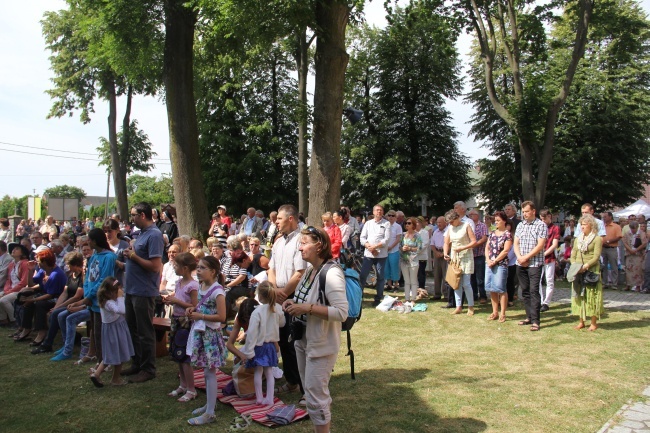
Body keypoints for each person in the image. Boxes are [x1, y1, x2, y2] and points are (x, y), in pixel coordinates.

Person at [283, 226, 348, 433]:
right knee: (312, 392)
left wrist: (306, 308)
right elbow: (305, 298)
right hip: (303, 340)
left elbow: (341, 312)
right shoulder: (311, 270)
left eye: (304, 243)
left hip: (321, 344)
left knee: (315, 393)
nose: (299, 248)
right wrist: (293, 303)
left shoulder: (331, 273)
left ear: (319, 245)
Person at [267, 204, 307, 399]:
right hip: (279, 296)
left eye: (279, 219)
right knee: (282, 340)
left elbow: (300, 273)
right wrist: (275, 290)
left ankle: (303, 385)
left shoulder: (302, 240)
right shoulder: (278, 242)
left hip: (294, 297)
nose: (276, 222)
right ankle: (291, 381)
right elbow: (271, 269)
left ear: (291, 218)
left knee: (295, 342)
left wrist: (284, 293)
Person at [121, 202, 164, 383]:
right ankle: (137, 363)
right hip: (132, 289)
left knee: (145, 331)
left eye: (133, 215)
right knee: (133, 329)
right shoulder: (142, 234)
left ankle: (148, 368)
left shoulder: (154, 235)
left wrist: (133, 256)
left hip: (143, 291)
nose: (131, 218)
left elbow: (155, 266)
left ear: (143, 215)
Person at [185, 256, 227, 426]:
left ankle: (210, 413)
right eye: (198, 268)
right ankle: (210, 404)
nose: (198, 271)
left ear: (213, 271)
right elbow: (203, 306)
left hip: (210, 336)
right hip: (202, 334)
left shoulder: (218, 291)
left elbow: (222, 317)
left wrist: (200, 315)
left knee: (210, 373)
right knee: (206, 371)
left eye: (202, 268)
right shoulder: (202, 286)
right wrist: (193, 309)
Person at [240, 281, 284, 406]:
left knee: (258, 372)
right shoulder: (277, 309)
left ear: (259, 296)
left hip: (259, 346)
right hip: (270, 346)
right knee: (269, 372)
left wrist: (249, 351)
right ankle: (269, 398)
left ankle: (259, 397)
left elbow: (252, 333)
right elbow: (282, 323)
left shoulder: (257, 312)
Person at [31, 251, 84, 355]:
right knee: (54, 314)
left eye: (68, 264)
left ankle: (48, 344)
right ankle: (75, 338)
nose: (67, 266)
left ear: (75, 264)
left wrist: (58, 307)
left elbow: (77, 296)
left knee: (56, 314)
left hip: (78, 304)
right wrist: (56, 306)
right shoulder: (70, 276)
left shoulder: (82, 277)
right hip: (68, 303)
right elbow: (64, 293)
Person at [163, 252, 199, 402]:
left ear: (185, 268)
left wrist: (176, 301)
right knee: (178, 354)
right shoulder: (178, 283)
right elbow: (177, 297)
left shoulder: (193, 285)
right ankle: (183, 384)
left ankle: (191, 389)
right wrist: (171, 299)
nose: (173, 267)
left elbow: (194, 305)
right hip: (176, 320)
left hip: (186, 322)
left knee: (185, 356)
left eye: (176, 266)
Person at [15, 248, 67, 344]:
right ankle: (26, 328)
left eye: (39, 261)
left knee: (40, 305)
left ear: (45, 262)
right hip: (45, 294)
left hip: (57, 298)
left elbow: (50, 295)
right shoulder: (43, 271)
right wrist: (30, 271)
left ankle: (42, 331)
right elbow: (31, 284)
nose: (37, 263)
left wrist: (32, 299)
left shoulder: (56, 274)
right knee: (24, 298)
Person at [89, 277, 134, 387]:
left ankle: (97, 374)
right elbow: (121, 310)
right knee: (117, 354)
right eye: (116, 292)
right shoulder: (108, 303)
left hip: (115, 329)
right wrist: (120, 298)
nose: (117, 294)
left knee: (111, 355)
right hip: (115, 330)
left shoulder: (106, 300)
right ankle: (114, 378)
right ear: (108, 292)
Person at [514, 201, 547, 331]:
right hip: (520, 262)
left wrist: (526, 257)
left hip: (535, 263)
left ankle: (536, 320)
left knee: (534, 291)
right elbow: (516, 243)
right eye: (523, 212)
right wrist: (520, 257)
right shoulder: (521, 225)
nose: (525, 214)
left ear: (533, 211)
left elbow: (540, 245)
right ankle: (528, 316)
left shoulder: (541, 225)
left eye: (527, 211)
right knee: (525, 290)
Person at [570, 215, 604, 331]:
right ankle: (581, 321)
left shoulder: (597, 239)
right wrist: (574, 265)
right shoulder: (577, 239)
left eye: (585, 224)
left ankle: (593, 322)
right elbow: (573, 254)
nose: (582, 227)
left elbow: (596, 256)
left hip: (591, 270)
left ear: (591, 225)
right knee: (579, 294)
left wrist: (586, 266)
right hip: (578, 270)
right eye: (581, 224)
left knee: (592, 295)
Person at [443, 210, 478, 315]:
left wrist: (463, 247)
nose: (451, 224)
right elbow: (446, 242)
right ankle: (458, 306)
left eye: (452, 221)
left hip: (466, 256)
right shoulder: (450, 228)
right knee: (456, 283)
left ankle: (470, 306)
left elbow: (474, 241)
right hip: (455, 257)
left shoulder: (466, 226)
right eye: (449, 222)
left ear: (457, 218)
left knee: (466, 283)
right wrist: (445, 253)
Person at [359, 204, 391, 307]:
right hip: (368, 255)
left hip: (381, 255)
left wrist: (375, 247)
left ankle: (378, 297)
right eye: (377, 210)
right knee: (363, 276)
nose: (379, 212)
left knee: (380, 276)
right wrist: (369, 247)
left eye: (381, 210)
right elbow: (362, 238)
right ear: (373, 212)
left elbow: (386, 240)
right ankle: (359, 296)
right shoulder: (368, 223)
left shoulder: (387, 224)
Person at [484, 211, 512, 322]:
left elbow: (505, 251)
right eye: (495, 221)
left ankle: (503, 313)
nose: (496, 223)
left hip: (501, 264)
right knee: (492, 288)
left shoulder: (507, 234)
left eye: (498, 220)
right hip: (490, 264)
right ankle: (494, 311)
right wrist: (488, 260)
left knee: (501, 288)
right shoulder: (492, 233)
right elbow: (487, 248)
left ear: (504, 221)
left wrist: (495, 261)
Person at [0, 243, 30, 328]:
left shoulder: (25, 263)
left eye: (17, 249)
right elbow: (8, 280)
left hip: (21, 290)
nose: (13, 250)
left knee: (3, 300)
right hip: (11, 289)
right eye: (13, 249)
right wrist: (6, 291)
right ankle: (3, 320)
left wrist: (8, 292)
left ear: (22, 253)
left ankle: (15, 320)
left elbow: (24, 282)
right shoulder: (12, 264)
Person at [539, 209, 560, 312]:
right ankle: (540, 301)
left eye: (544, 219)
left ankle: (546, 302)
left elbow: (554, 244)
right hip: (538, 257)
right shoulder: (539, 227)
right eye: (541, 219)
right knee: (537, 280)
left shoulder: (555, 228)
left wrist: (544, 254)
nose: (543, 221)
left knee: (549, 280)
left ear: (549, 217)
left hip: (549, 258)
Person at [399, 217, 422, 303]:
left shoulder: (417, 235)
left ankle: (413, 299)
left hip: (413, 260)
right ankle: (407, 298)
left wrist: (410, 248)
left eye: (409, 223)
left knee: (413, 280)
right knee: (406, 281)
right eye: (406, 223)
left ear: (413, 224)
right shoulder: (403, 235)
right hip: (404, 261)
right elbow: (399, 246)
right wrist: (403, 248)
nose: (407, 225)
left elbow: (420, 248)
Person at [623, 221, 647, 291]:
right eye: (632, 229)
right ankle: (628, 285)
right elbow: (624, 242)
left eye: (635, 229)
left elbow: (644, 243)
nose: (633, 230)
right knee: (628, 269)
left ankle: (638, 286)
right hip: (629, 254)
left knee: (638, 270)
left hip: (638, 254)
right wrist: (630, 250)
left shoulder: (641, 233)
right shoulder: (627, 233)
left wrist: (636, 250)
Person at [383, 210, 403, 292]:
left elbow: (398, 239)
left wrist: (391, 246)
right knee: (386, 268)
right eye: (389, 215)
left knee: (394, 267)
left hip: (394, 250)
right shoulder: (384, 225)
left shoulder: (398, 226)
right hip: (385, 250)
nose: (390, 217)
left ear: (395, 217)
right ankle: (389, 284)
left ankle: (396, 285)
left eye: (392, 216)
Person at [430, 216, 447, 301]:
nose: (438, 224)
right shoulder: (435, 232)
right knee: (437, 274)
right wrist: (436, 252)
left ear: (445, 222)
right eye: (438, 222)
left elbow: (450, 243)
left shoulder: (448, 231)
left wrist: (444, 253)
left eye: (440, 222)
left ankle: (446, 295)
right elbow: (432, 244)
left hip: (445, 253)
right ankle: (437, 294)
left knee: (445, 275)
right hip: (436, 253)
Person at [415, 217, 430, 295]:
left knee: (421, 274)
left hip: (421, 257)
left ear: (421, 224)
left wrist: (415, 251)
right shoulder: (412, 232)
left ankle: (421, 290)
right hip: (412, 257)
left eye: (417, 222)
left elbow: (424, 244)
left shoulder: (424, 232)